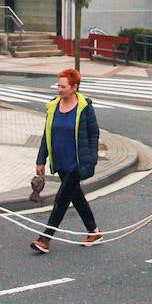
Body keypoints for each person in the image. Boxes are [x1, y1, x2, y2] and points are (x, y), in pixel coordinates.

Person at [31, 68, 101, 253]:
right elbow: (47, 135)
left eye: (63, 86)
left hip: (77, 162)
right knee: (75, 196)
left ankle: (45, 238)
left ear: (74, 87)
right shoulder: (53, 106)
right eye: (59, 85)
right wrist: (41, 160)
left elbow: (94, 134)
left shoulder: (84, 107)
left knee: (61, 199)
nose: (59, 89)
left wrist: (91, 158)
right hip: (60, 161)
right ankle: (94, 231)